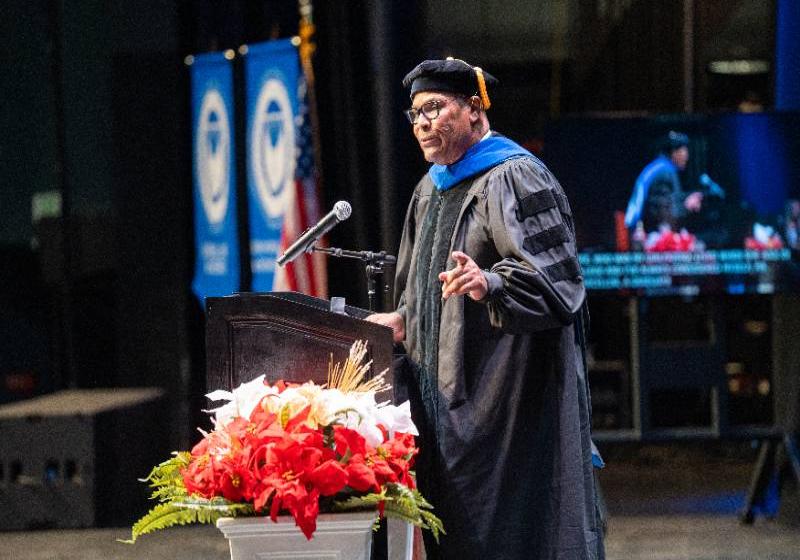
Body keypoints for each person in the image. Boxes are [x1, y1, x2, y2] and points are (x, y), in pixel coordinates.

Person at [366, 58, 604, 560]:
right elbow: (418, 289)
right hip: (439, 406)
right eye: (414, 114)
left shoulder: (515, 176)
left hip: (505, 407)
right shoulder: (429, 189)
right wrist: (403, 320)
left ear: (475, 110)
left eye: (435, 108)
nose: (423, 123)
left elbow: (559, 284)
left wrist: (491, 282)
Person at [623, 131, 704, 236]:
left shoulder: (659, 167)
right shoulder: (665, 173)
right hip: (649, 236)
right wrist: (687, 206)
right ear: (674, 152)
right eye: (684, 151)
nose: (687, 157)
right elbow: (664, 216)